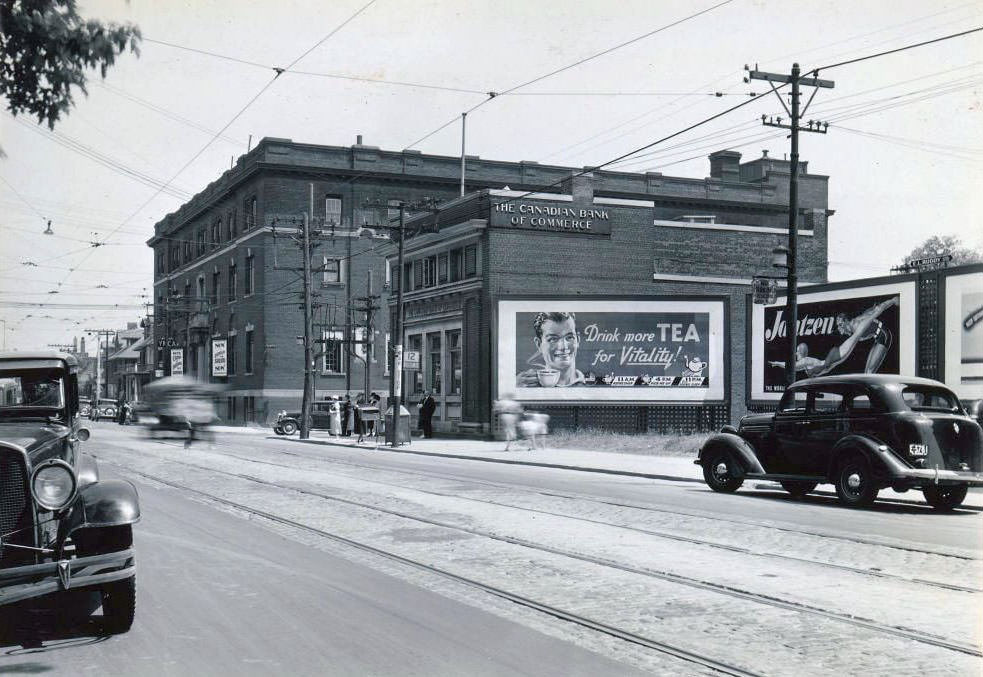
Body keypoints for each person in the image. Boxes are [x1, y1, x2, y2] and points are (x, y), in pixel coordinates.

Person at [769, 297, 899, 377]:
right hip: (871, 339)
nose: (840, 331)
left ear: (844, 323)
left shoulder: (857, 324)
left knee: (869, 372)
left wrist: (893, 300)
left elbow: (877, 310)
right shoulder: (809, 362)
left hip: (883, 335)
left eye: (839, 327)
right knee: (867, 372)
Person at [517, 312, 586, 387]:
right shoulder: (522, 385)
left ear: (578, 340)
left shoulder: (592, 382)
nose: (563, 347)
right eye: (553, 339)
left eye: (569, 337)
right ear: (539, 344)